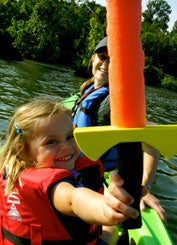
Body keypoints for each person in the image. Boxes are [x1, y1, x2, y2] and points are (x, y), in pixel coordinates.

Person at [0, 99, 139, 245]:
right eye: (51, 142)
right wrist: (105, 208)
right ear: (23, 150)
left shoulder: (11, 169)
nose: (66, 146)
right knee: (111, 229)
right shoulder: (54, 186)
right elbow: (74, 199)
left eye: (70, 137)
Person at [72, 36, 166, 222]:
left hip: (96, 179)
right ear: (93, 58)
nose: (106, 63)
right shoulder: (89, 89)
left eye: (113, 60)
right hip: (76, 167)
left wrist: (142, 185)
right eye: (102, 56)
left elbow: (153, 140)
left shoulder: (113, 103)